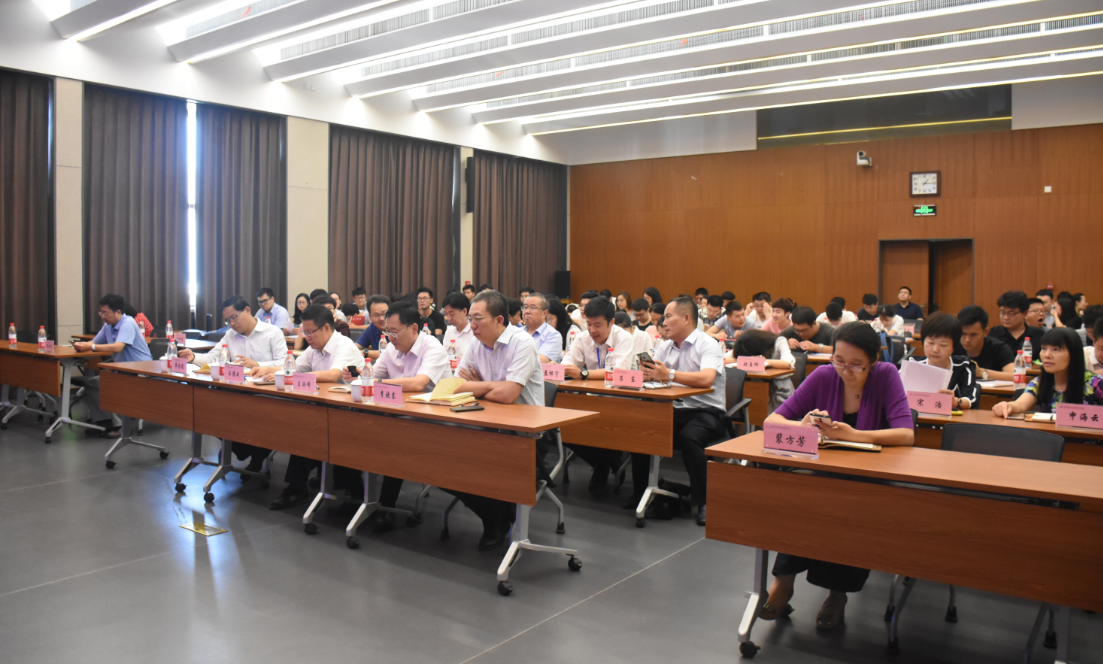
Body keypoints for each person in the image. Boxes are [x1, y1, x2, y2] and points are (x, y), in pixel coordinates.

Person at [760, 323, 914, 630]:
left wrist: (853, 434)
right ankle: (784, 581)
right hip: (823, 469)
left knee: (849, 507)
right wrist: (801, 426)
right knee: (802, 498)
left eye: (856, 365)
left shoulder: (886, 375)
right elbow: (772, 421)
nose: (845, 370)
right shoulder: (823, 375)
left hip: (868, 475)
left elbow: (906, 434)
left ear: (874, 360)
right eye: (839, 360)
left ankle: (837, 593)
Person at [341, 301, 451, 532]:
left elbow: (418, 383)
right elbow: (376, 375)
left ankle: (386, 506)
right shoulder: (392, 347)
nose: (389, 338)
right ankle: (357, 495)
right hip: (397, 413)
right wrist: (360, 375)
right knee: (347, 425)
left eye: (394, 332)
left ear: (413, 328)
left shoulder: (432, 347)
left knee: (394, 436)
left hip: (432, 420)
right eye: (387, 332)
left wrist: (374, 381)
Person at [450, 291, 545, 550]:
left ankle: (496, 520)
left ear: (499, 320)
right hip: (484, 424)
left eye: (477, 319)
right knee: (443, 462)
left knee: (471, 463)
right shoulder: (475, 344)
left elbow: (508, 395)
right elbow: (455, 386)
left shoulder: (522, 343)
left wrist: (476, 386)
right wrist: (492, 386)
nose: (471, 325)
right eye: (470, 318)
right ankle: (497, 517)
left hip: (524, 434)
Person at [257, 305, 364, 510]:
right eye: (304, 332)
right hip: (325, 410)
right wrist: (265, 369)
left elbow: (333, 375)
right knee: (304, 428)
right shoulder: (314, 348)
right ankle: (299, 487)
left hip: (352, 414)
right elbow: (294, 368)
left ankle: (300, 488)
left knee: (307, 430)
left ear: (326, 328)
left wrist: (290, 377)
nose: (306, 337)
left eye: (310, 332)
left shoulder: (344, 345)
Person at [637, 297, 730, 526]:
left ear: (686, 318)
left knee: (690, 437)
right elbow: (655, 374)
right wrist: (647, 373)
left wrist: (668, 375)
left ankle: (704, 501)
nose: (663, 323)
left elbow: (706, 378)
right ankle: (642, 492)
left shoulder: (707, 344)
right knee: (642, 428)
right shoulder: (665, 346)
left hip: (707, 412)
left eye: (668, 317)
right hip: (675, 409)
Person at [179, 296, 289, 471]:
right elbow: (213, 357)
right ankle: (248, 449)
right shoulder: (230, 335)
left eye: (234, 317)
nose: (231, 323)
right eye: (227, 320)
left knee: (254, 419)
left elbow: (285, 364)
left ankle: (255, 453)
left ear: (247, 310)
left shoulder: (272, 332)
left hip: (264, 392)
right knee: (209, 413)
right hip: (236, 390)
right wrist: (193, 357)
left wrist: (258, 364)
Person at [561, 296, 635, 491]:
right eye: (588, 324)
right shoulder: (582, 338)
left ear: (611, 322)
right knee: (565, 429)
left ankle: (603, 466)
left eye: (598, 325)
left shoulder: (624, 338)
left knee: (605, 427)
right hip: (590, 399)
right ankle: (607, 463)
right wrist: (561, 368)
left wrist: (583, 373)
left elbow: (618, 373)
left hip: (620, 400)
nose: (592, 330)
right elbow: (568, 365)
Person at [73, 294, 153, 438]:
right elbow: (94, 342)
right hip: (123, 370)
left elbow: (117, 347)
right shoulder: (108, 326)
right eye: (101, 313)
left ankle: (122, 427)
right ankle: (104, 421)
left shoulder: (128, 323)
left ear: (118, 312)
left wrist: (91, 347)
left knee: (112, 383)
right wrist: (82, 345)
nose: (103, 316)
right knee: (92, 383)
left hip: (142, 370)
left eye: (105, 313)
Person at [994, 328, 1103, 417]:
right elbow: (1020, 405)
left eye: (1056, 349)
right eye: (1044, 348)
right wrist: (1007, 406)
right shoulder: (1040, 382)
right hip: (1051, 437)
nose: (1047, 355)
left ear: (1073, 354)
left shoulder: (1095, 383)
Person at [902, 312, 978, 410]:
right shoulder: (912, 364)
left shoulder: (963, 366)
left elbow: (971, 399)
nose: (935, 350)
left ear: (953, 347)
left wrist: (956, 402)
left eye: (943, 345)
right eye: (931, 342)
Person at [731, 329, 796, 411]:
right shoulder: (744, 345)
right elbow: (725, 359)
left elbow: (789, 363)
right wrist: (748, 360)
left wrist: (763, 361)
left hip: (780, 388)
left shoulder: (779, 341)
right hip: (754, 384)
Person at [958, 305, 1015, 381]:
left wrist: (981, 372)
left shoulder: (1000, 349)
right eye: (963, 334)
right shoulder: (951, 347)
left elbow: (1014, 376)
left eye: (973, 335)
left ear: (985, 332)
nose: (967, 340)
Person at [522, 293, 564, 363]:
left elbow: (539, 361)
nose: (527, 311)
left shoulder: (553, 335)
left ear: (544, 313)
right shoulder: (517, 332)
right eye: (525, 307)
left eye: (533, 308)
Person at [354, 294, 391, 359]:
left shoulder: (398, 329)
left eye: (384, 314)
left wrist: (365, 352)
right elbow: (354, 347)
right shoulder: (372, 328)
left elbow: (391, 354)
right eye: (376, 315)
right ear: (370, 317)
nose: (381, 319)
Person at [441, 291, 476, 359]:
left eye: (452, 314)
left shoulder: (474, 331)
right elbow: (444, 356)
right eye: (446, 314)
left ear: (464, 311)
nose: (448, 318)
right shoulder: (449, 331)